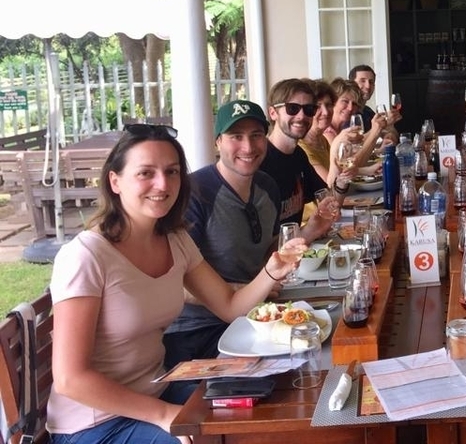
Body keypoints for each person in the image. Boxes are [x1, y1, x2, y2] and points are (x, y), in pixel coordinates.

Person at [47, 124, 304, 443]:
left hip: (157, 390)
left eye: (172, 171)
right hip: (94, 424)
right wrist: (164, 414)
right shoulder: (86, 256)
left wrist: (271, 271)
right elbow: (71, 380)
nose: (162, 183)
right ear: (115, 181)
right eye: (145, 173)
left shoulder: (175, 239)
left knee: (266, 405)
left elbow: (229, 306)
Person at [162, 100, 292, 400]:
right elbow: (176, 284)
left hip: (252, 320)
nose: (248, 146)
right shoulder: (195, 194)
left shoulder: (267, 186)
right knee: (269, 394)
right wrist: (248, 289)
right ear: (217, 141)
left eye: (256, 135)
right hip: (196, 333)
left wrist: (289, 254)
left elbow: (268, 248)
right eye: (236, 136)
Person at [259, 78, 332, 243]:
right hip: (271, 263)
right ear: (273, 113)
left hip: (297, 253)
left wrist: (342, 182)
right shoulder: (259, 162)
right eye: (292, 108)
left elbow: (327, 199)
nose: (301, 116)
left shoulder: (298, 155)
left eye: (309, 109)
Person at [349, 64, 401, 140]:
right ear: (352, 84)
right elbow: (354, 142)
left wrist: (389, 131)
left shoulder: (367, 111)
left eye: (371, 82)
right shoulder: (348, 112)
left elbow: (392, 134)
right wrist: (384, 125)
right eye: (362, 81)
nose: (368, 86)